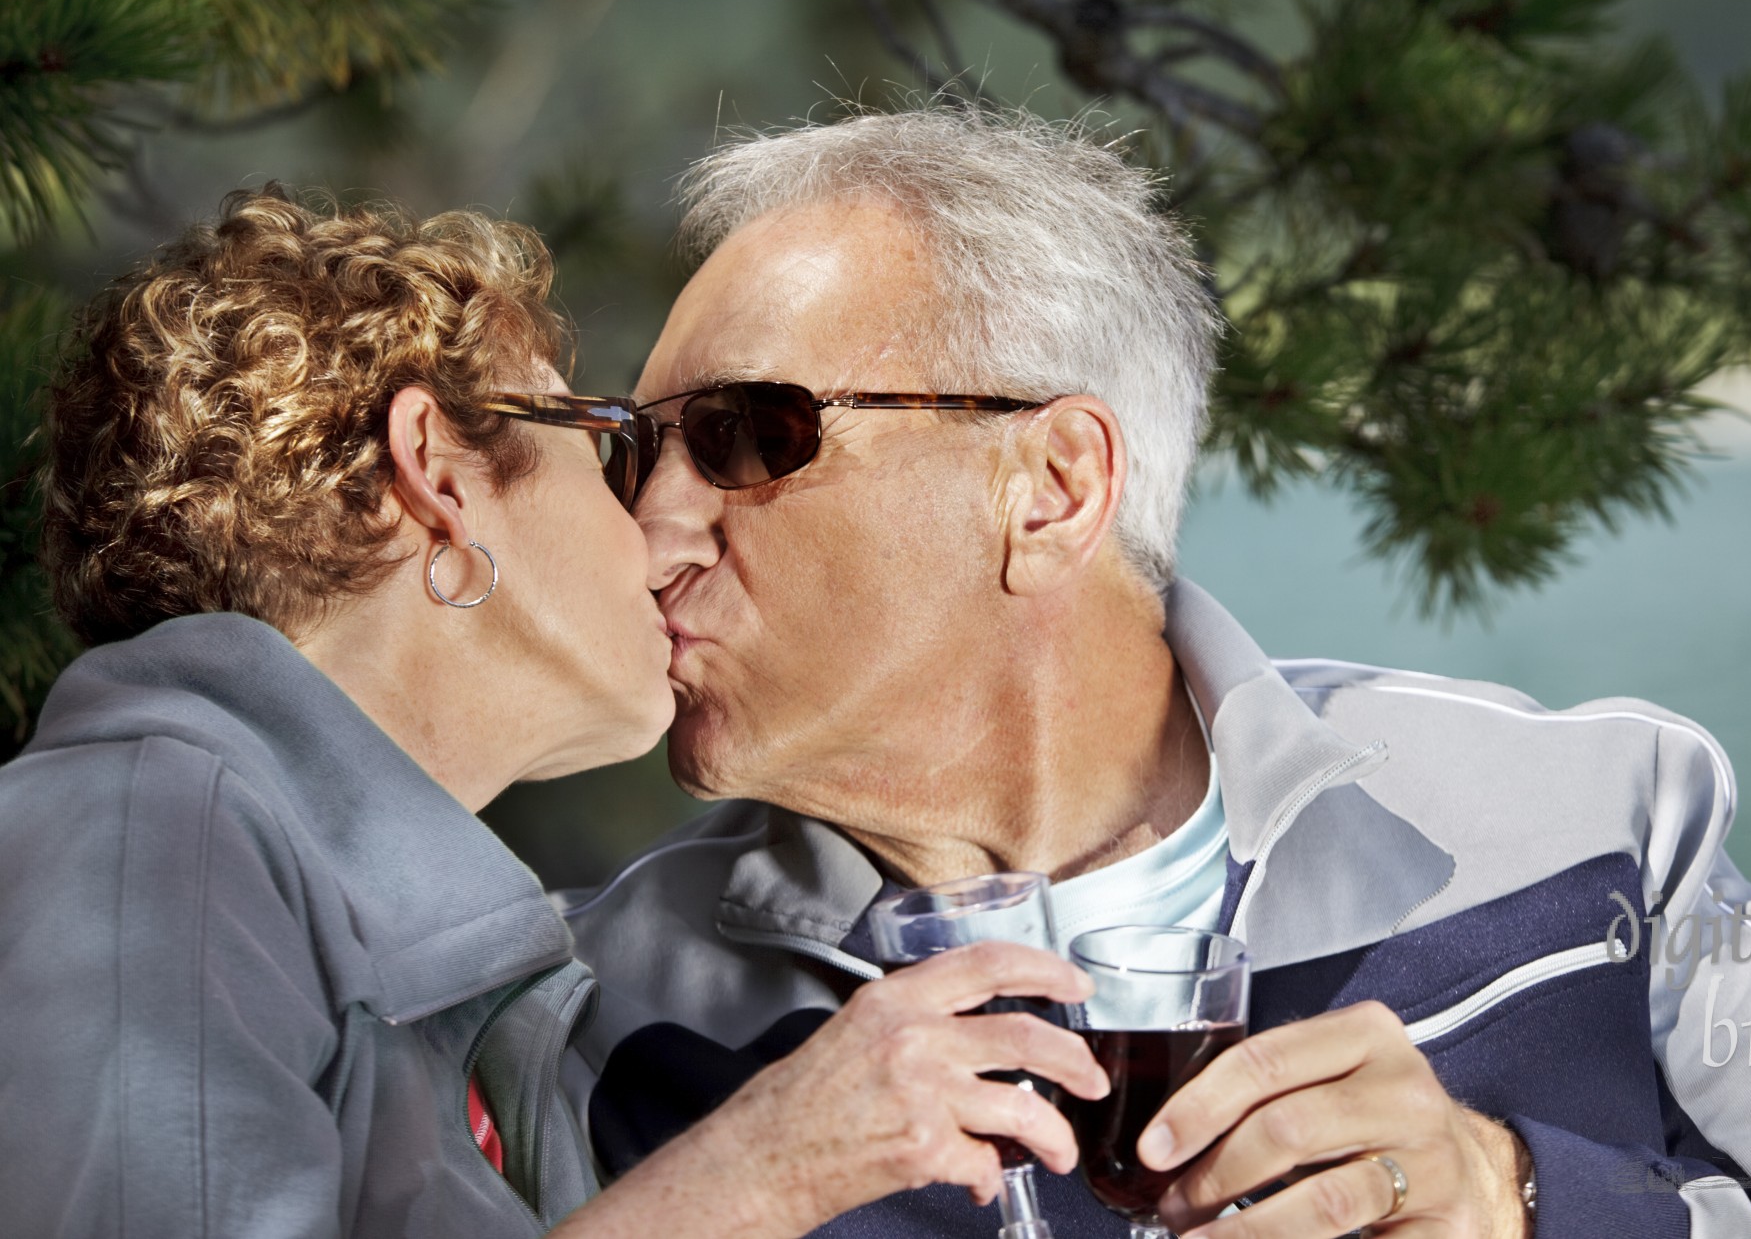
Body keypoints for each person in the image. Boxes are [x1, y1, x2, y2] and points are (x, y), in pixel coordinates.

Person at [562, 108, 1751, 1239]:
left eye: (750, 436)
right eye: (635, 448)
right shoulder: (603, 1006)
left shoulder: (1603, 815)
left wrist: (1522, 1202)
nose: (652, 525)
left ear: (1051, 488)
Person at [0, 185, 1110, 1239]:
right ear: (437, 473)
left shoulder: (372, 943)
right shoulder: (149, 832)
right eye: (612, 445)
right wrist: (760, 1171)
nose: (658, 531)